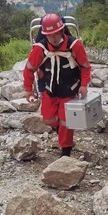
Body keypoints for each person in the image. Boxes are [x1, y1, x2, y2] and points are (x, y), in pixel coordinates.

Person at [23, 13, 91, 157]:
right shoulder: (39, 49)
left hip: (69, 91)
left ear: (61, 30)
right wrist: (28, 90)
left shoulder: (74, 46)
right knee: (49, 119)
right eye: (49, 35)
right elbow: (29, 69)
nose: (53, 38)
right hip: (49, 91)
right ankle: (59, 130)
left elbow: (85, 67)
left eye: (55, 34)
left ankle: (66, 151)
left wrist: (84, 85)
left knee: (66, 122)